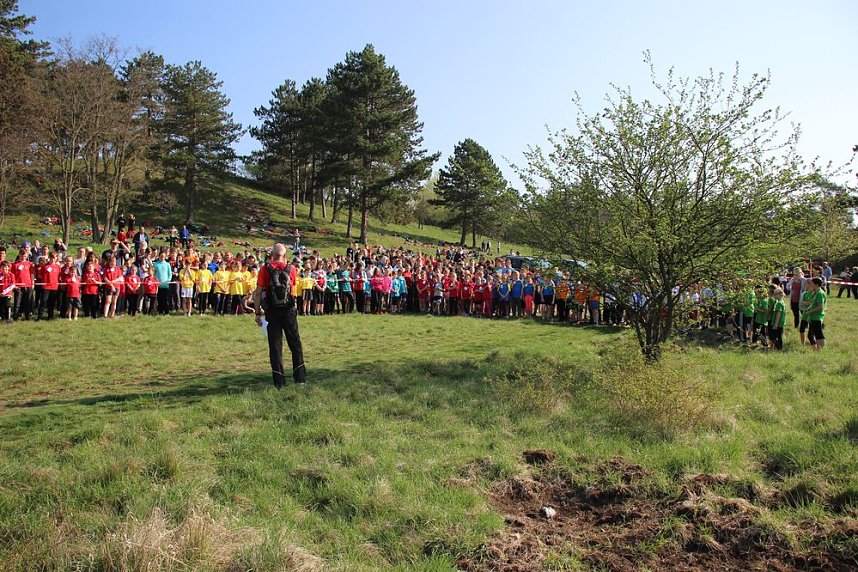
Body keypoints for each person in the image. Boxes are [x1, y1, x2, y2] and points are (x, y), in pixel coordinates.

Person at [254, 243, 306, 387]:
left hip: (272, 311)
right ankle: (300, 378)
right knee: (295, 343)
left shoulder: (265, 269)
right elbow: (293, 291)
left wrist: (258, 313)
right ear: (284, 255)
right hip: (289, 311)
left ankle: (279, 382)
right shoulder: (292, 269)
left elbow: (258, 292)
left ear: (272, 255)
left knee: (275, 346)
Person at [805, 277, 827, 350]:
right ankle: (818, 349)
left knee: (819, 334)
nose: (811, 285)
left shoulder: (820, 293)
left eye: (812, 284)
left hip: (817, 317)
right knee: (813, 335)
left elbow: (820, 307)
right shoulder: (816, 293)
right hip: (812, 317)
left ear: (817, 284)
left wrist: (810, 311)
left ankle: (822, 350)